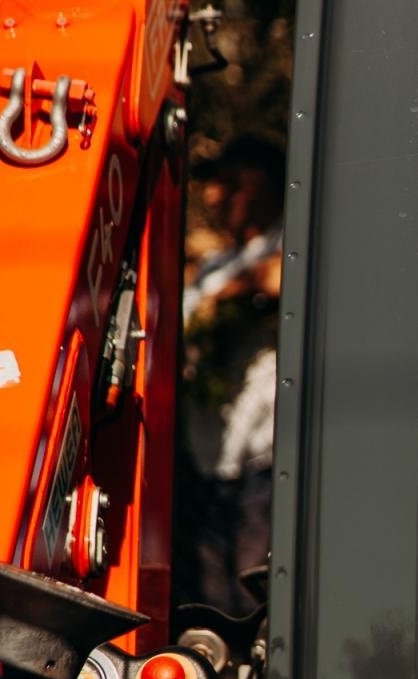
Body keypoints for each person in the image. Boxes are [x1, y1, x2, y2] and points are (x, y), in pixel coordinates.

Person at [175, 134, 285, 615]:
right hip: (208, 453)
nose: (215, 197)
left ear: (261, 185)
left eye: (229, 183)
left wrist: (231, 294)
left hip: (262, 455)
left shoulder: (291, 243)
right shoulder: (213, 266)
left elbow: (283, 276)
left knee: (250, 587)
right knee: (209, 592)